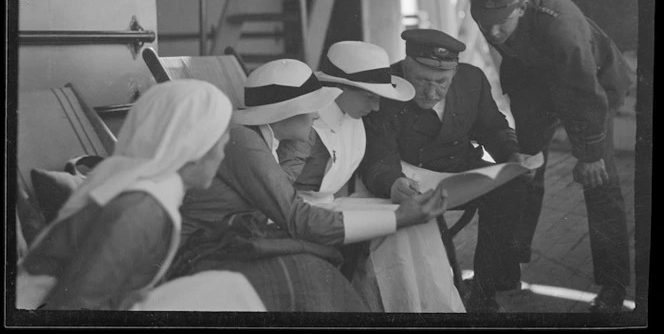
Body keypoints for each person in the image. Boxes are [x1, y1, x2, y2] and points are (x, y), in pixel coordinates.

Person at [171, 58, 450, 312]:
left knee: (320, 264)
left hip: (227, 240)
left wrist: (297, 142)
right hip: (198, 252)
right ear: (284, 113)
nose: (317, 116)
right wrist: (398, 217)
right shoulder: (243, 142)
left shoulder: (264, 140)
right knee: (314, 274)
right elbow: (296, 216)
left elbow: (286, 200)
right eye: (310, 110)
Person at [459, 0, 634, 312]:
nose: (492, 34)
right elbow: (514, 51)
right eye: (485, 24)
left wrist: (589, 154)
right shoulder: (492, 14)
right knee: (523, 170)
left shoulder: (561, 26)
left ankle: (613, 286)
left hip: (591, 85)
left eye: (500, 25)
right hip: (535, 86)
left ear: (521, 7)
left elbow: (585, 94)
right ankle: (508, 270)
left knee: (599, 182)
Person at [16, 79, 265, 311]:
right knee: (232, 291)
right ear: (193, 149)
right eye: (220, 146)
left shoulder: (145, 191)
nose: (222, 156)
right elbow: (74, 306)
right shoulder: (141, 210)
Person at [278, 41, 465, 312]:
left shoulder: (354, 114)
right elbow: (278, 194)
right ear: (338, 88)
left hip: (336, 204)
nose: (377, 107)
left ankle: (427, 307)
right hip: (303, 216)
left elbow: (368, 159)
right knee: (399, 224)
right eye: (370, 96)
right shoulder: (306, 128)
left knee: (416, 220)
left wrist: (395, 185)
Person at [359, 28, 532, 313]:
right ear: (405, 68)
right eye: (421, 81)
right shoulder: (385, 86)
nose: (431, 92)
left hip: (459, 166)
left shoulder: (472, 79)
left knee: (512, 186)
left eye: (441, 82)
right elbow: (380, 155)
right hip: (411, 175)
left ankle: (485, 290)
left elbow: (494, 127)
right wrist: (391, 182)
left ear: (454, 74)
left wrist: (512, 154)